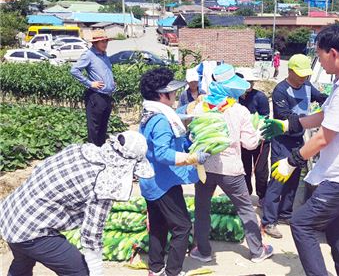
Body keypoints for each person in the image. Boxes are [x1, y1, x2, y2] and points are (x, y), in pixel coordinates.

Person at [261, 25, 339, 276]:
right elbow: (326, 115)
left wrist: (291, 160)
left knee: (301, 224)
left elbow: (324, 138)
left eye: (319, 54)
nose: (319, 61)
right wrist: (290, 123)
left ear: (333, 53)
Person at [0, 131, 154, 276]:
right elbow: (91, 235)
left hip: (10, 213)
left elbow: (41, 168)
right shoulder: (105, 184)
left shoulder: (82, 150)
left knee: (23, 261)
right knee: (78, 271)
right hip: (31, 230)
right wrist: (96, 272)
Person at [188, 64, 274, 264]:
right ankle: (257, 251)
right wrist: (260, 131)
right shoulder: (239, 110)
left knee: (202, 209)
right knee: (245, 210)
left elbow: (193, 136)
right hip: (231, 170)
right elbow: (250, 144)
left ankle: (203, 251)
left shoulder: (201, 107)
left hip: (204, 167)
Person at [139, 67, 210, 276]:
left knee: (159, 225)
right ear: (161, 95)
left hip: (151, 180)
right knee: (182, 227)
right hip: (163, 182)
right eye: (171, 91)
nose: (174, 94)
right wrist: (192, 158)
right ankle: (173, 271)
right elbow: (162, 153)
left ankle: (156, 268)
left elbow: (175, 124)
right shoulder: (161, 120)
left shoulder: (151, 112)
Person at [261, 53, 327, 239]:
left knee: (293, 180)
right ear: (290, 71)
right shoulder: (280, 90)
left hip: (299, 139)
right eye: (300, 74)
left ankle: (285, 214)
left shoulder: (306, 85)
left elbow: (319, 96)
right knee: (279, 179)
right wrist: (311, 120)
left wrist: (330, 100)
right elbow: (284, 116)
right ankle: (268, 221)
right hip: (283, 140)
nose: (304, 77)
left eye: (306, 74)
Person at [70, 30, 115, 146]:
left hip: (107, 97)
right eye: (102, 42)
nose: (105, 44)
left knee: (103, 128)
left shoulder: (104, 55)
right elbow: (74, 70)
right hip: (96, 97)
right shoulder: (89, 55)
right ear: (95, 43)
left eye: (106, 41)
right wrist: (89, 83)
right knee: (94, 128)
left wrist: (111, 83)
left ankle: (101, 152)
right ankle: (93, 153)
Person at [237, 69, 271, 204]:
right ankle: (246, 194)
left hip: (260, 139)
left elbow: (265, 118)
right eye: (246, 82)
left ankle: (262, 196)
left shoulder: (260, 97)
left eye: (251, 82)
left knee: (260, 170)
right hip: (243, 140)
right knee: (244, 168)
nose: (249, 85)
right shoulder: (236, 98)